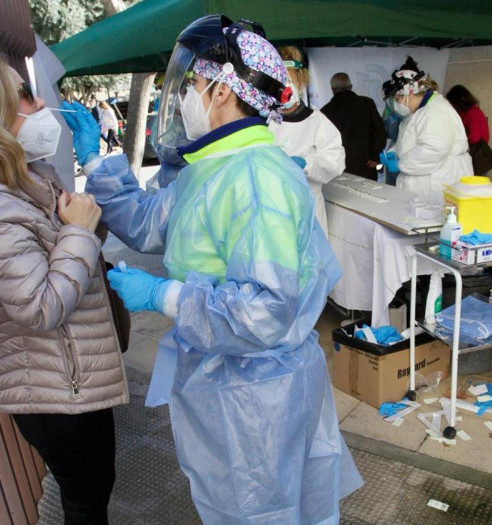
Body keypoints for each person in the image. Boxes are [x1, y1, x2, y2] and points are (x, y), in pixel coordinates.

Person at [82, 15, 362, 523]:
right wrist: (100, 166)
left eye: (194, 83)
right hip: (228, 381)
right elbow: (149, 223)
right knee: (236, 505)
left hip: (257, 396)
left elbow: (266, 312)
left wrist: (161, 296)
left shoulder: (256, 179)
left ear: (222, 92)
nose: (188, 94)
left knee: (261, 510)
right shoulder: (215, 170)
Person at [0, 49, 128, 524]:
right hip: (55, 391)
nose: (40, 105)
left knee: (94, 490)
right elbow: (40, 307)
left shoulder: (27, 178)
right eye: (24, 95)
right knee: (85, 501)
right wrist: (77, 231)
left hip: (70, 379)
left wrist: (82, 222)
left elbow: (70, 249)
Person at [268, 46, 345, 237]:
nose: (283, 88)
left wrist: (306, 163)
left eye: (289, 81)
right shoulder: (264, 122)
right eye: (278, 82)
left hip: (307, 209)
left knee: (309, 262)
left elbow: (335, 162)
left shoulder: (318, 123)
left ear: (301, 82)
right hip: (270, 207)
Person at [379, 57, 473, 195]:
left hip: (439, 181)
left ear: (408, 93)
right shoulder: (415, 113)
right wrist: (395, 151)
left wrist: (400, 164)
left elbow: (435, 148)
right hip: (424, 182)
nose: (397, 104)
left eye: (397, 99)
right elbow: (410, 141)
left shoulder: (435, 110)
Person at [321, 72, 387, 180]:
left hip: (338, 170)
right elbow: (380, 132)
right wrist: (375, 157)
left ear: (332, 90)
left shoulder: (324, 112)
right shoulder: (367, 104)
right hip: (366, 167)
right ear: (351, 87)